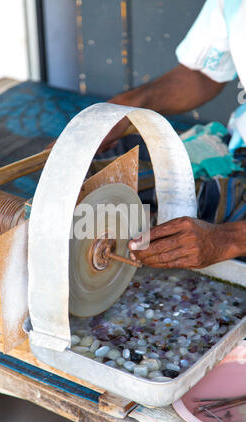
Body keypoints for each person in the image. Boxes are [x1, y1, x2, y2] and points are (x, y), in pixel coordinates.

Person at [100, 0, 246, 270]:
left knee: (177, 237)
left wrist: (229, 239)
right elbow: (203, 74)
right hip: (238, 148)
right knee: (105, 178)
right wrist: (123, 108)